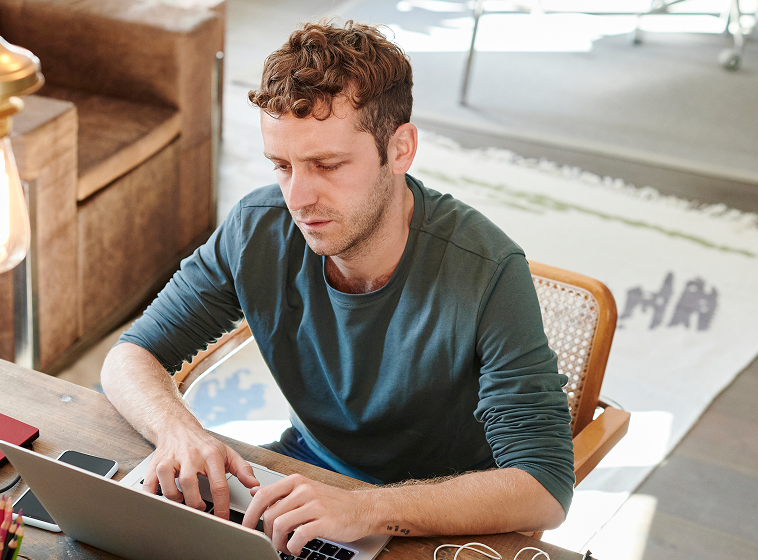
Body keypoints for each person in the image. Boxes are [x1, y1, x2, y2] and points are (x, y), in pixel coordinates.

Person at [100, 19, 575, 556]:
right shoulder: (258, 226)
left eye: (327, 165)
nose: (298, 198)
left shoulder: (488, 271)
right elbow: (130, 356)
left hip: (440, 522)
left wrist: (366, 508)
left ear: (400, 150)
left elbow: (544, 487)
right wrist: (178, 432)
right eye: (282, 165)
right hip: (304, 479)